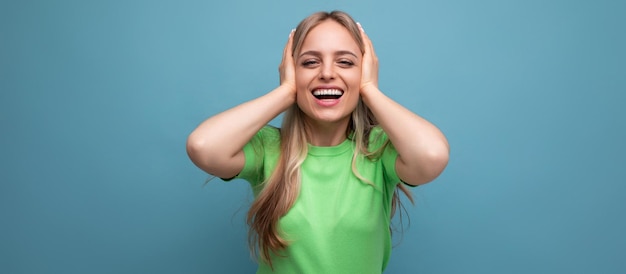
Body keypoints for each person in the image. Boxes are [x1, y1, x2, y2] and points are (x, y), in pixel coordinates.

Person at [186, 10, 449, 274]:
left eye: (345, 62)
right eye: (310, 62)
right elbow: (203, 146)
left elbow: (432, 154)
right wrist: (286, 92)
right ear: (291, 71)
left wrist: (369, 89)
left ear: (365, 71)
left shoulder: (379, 150)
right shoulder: (268, 149)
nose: (326, 73)